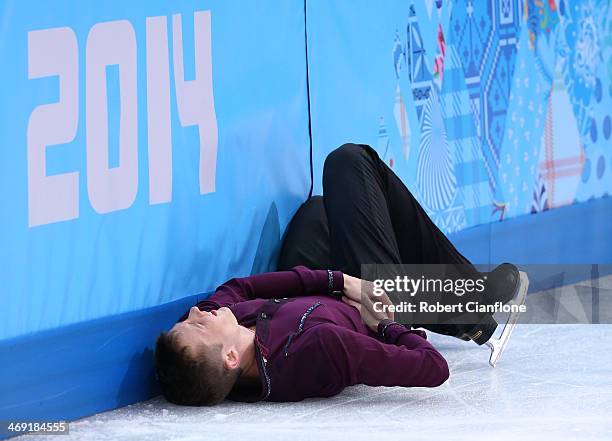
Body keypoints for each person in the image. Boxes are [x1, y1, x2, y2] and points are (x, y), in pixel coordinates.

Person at [155, 143, 522, 406]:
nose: (196, 312)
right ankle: (468, 298)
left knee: (321, 211)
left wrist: (341, 281)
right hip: (373, 307)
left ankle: (464, 309)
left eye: (189, 318)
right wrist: (386, 325)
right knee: (349, 163)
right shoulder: (317, 349)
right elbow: (432, 368)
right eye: (198, 324)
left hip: (333, 289)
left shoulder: (223, 335)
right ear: (231, 358)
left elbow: (240, 287)